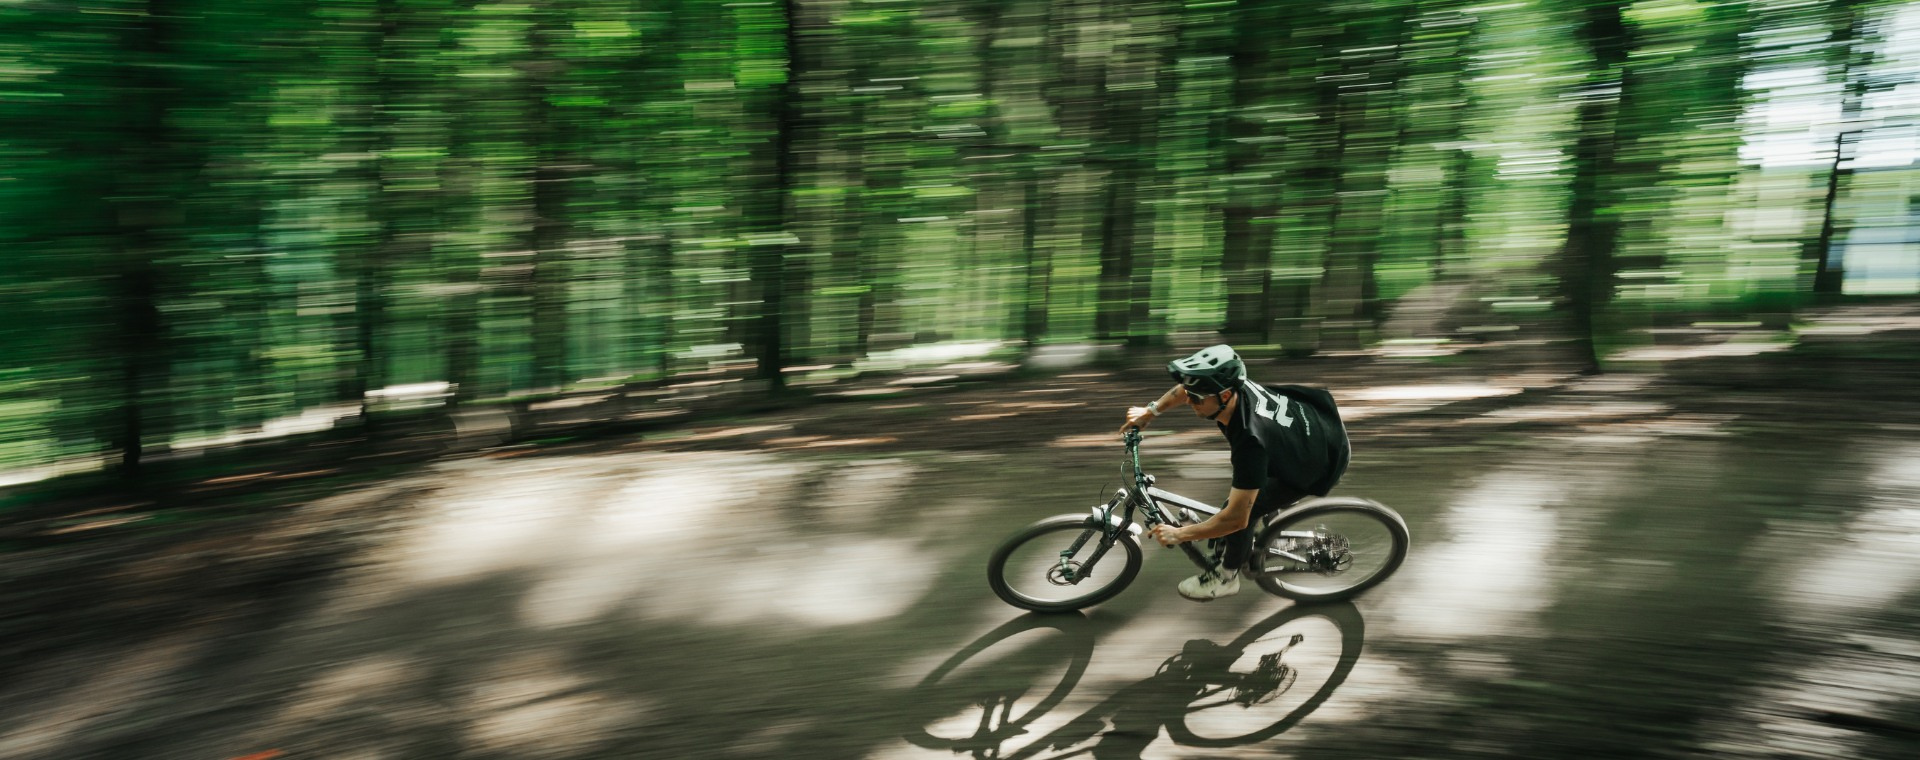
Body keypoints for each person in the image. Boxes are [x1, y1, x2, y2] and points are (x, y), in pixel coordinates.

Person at [1117, 344, 1350, 601]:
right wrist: (1150, 411)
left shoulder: (1250, 441)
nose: (1190, 401)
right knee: (1246, 499)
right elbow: (1186, 389)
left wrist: (1179, 534)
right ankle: (1271, 537)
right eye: (1191, 395)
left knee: (1241, 514)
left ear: (1225, 396)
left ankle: (1226, 577)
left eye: (1197, 398)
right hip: (1310, 429)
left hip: (1317, 460)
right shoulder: (1232, 387)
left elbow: (1235, 519)